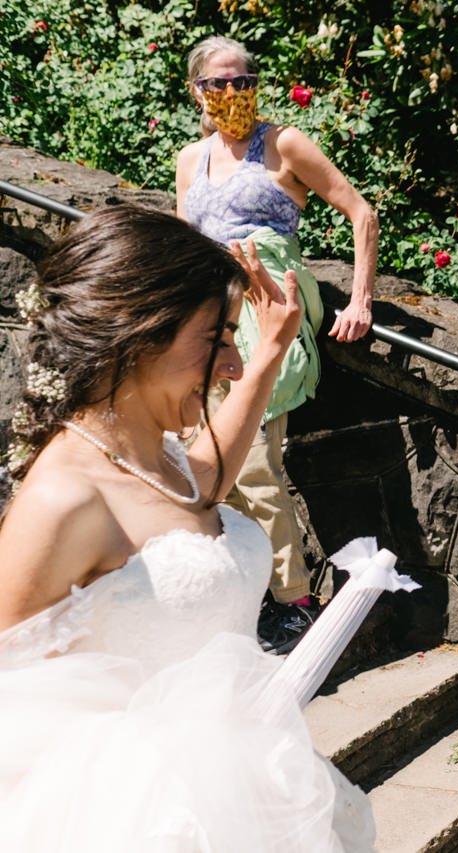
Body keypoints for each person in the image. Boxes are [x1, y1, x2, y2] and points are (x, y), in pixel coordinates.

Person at [0, 205, 373, 850]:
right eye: (218, 339)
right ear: (140, 331)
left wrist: (270, 353)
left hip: (231, 793)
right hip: (131, 816)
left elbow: (204, 485)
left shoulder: (155, 453)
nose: (231, 363)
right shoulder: (65, 496)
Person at [176, 35, 379, 654]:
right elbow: (184, 245)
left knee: (257, 464)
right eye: (219, 83)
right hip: (209, 318)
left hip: (268, 310)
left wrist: (361, 299)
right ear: (197, 91)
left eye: (243, 80)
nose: (233, 92)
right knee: (202, 462)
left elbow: (361, 212)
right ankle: (240, 593)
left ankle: (295, 603)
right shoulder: (191, 158)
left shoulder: (283, 142)